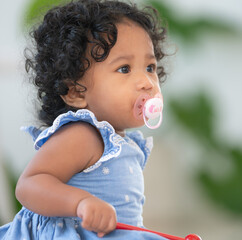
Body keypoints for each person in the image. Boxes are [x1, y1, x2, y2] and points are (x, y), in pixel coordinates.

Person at [0, 0, 169, 239]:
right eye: (124, 69)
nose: (147, 82)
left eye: (150, 67)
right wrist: (81, 202)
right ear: (76, 92)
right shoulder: (84, 135)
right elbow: (29, 185)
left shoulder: (123, 142)